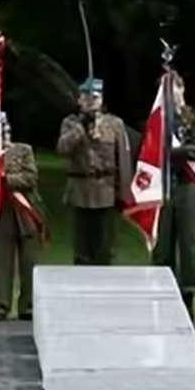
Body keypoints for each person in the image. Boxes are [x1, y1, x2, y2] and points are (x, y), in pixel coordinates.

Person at [56, 78, 133, 265]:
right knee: (82, 246)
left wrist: (124, 193)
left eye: (95, 98)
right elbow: (62, 148)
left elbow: (123, 158)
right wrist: (81, 127)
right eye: (86, 98)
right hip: (81, 189)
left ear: (101, 100)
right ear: (79, 100)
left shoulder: (114, 124)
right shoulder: (70, 123)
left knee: (104, 245)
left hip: (106, 190)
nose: (90, 102)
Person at [152, 75, 195, 317]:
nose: (168, 94)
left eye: (172, 88)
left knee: (189, 240)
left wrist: (169, 150)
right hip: (162, 185)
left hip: (188, 185)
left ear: (181, 89)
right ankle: (162, 291)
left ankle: (188, 296)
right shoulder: (157, 119)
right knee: (162, 241)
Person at [0, 113, 47, 321]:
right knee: (2, 262)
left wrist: (4, 178)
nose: (2, 135)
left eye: (4, 130)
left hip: (25, 212)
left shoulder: (23, 150)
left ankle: (29, 305)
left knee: (29, 261)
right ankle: (1, 305)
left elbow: (30, 177)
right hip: (3, 212)